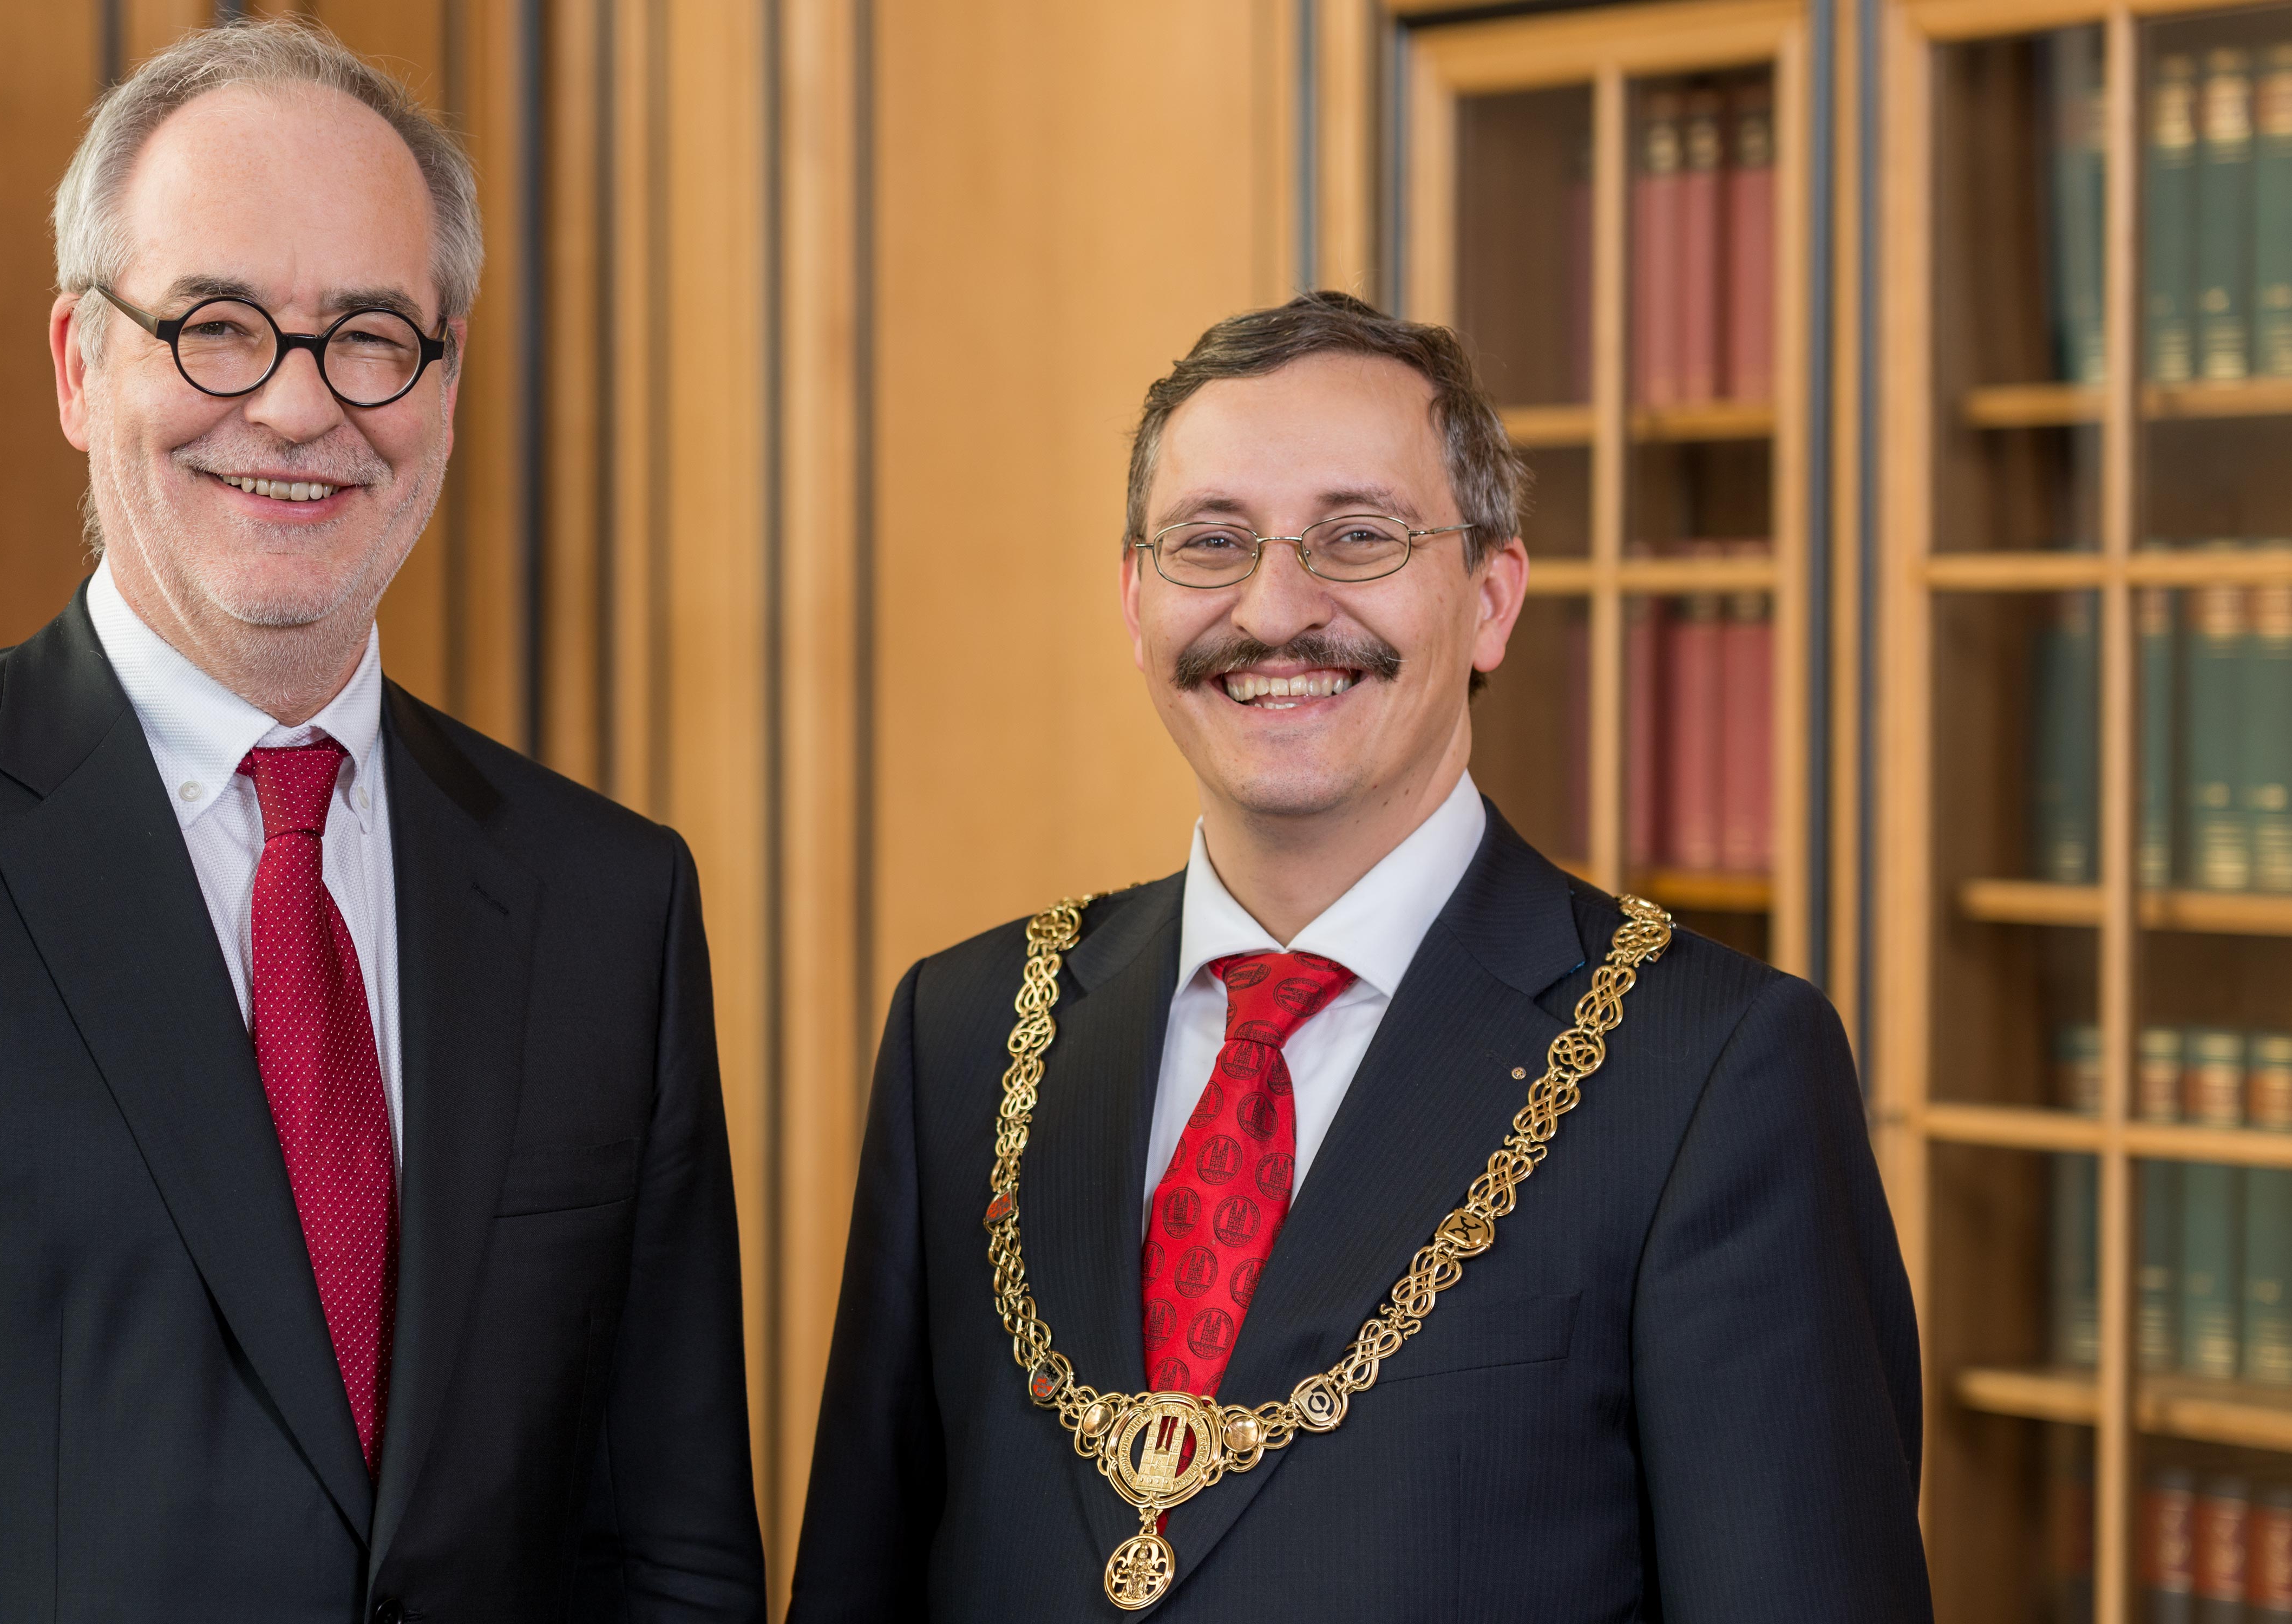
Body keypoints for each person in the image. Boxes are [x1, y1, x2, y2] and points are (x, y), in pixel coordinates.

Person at [0, 21, 763, 1622]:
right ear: (75, 365)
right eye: (215, 326)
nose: (298, 407)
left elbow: (668, 1560)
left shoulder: (609, 899)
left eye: (370, 335)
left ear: (443, 387)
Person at [787, 291, 1929, 1621]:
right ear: (1135, 599)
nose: (1275, 608)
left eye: (1358, 536)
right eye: (1210, 542)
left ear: (1490, 598)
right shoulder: (970, 1027)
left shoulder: (1710, 1071)